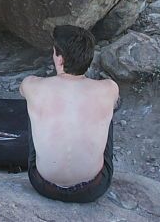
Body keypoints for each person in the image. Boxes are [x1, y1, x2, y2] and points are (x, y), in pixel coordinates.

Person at [19, 25, 119, 203]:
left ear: (60, 59)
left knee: (34, 106)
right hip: (93, 188)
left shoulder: (32, 85)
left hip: (43, 184)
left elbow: (22, 92)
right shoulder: (109, 88)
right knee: (106, 111)